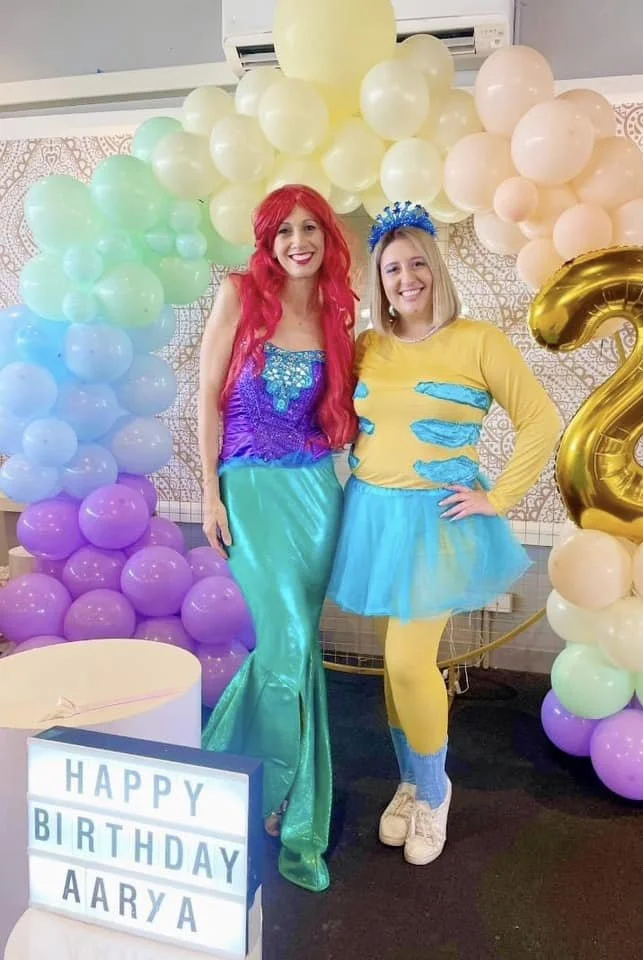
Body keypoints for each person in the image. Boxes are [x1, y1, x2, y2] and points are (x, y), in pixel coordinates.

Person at [328, 201, 562, 867]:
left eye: (417, 262)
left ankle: (433, 791)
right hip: (372, 515)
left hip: (437, 520)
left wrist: (500, 497)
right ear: (380, 278)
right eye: (393, 267)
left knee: (407, 661)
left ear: (437, 266)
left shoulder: (480, 340)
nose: (407, 277)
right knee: (396, 667)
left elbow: (540, 422)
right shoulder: (368, 346)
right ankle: (408, 781)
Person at [197, 184, 357, 892]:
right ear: (267, 241)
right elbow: (207, 396)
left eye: (311, 229)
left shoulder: (336, 310)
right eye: (285, 230)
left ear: (327, 238)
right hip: (252, 491)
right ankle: (262, 791)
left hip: (318, 493)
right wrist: (208, 493)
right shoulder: (240, 294)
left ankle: (271, 787)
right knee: (286, 639)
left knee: (298, 650)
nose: (299, 241)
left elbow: (345, 413)